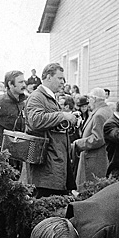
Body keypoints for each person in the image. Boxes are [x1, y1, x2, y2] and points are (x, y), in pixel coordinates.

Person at [20, 62, 77, 197]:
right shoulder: (37, 97)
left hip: (53, 163)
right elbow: (36, 121)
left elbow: (49, 125)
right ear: (48, 77)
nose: (63, 82)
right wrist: (62, 115)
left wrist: (69, 120)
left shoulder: (49, 97)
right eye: (60, 78)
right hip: (46, 168)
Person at [73, 87, 114, 187]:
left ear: (94, 99)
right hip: (100, 158)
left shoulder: (99, 115)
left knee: (89, 189)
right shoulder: (106, 110)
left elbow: (98, 139)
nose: (88, 102)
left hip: (94, 160)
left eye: (89, 99)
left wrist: (79, 143)